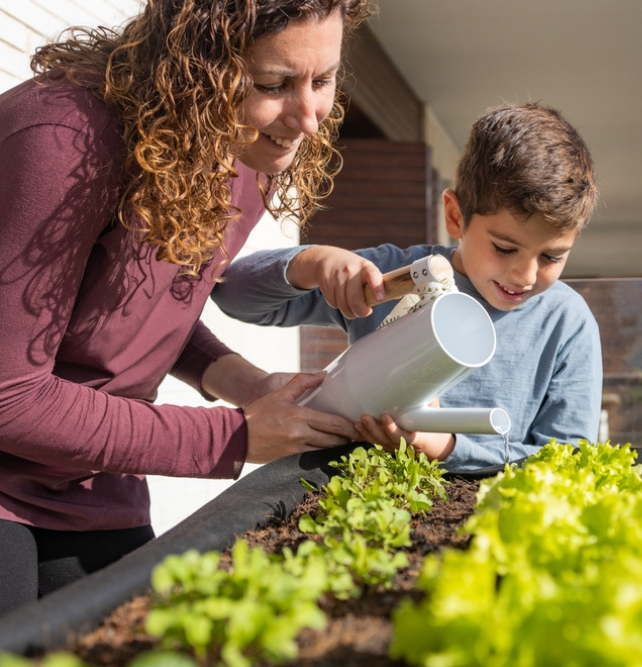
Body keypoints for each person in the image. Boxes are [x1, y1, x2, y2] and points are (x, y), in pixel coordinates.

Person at [0, 0, 380, 616]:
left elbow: (139, 304)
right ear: (196, 68)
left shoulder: (242, 151)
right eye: (273, 85)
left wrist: (252, 385)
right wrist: (235, 437)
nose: (309, 118)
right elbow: (10, 395)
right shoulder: (62, 142)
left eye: (324, 79)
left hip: (91, 482)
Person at [212, 102, 604, 471]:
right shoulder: (398, 276)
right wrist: (312, 264)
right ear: (455, 216)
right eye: (504, 248)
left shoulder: (566, 322)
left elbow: (569, 461)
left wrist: (447, 448)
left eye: (552, 257)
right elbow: (231, 294)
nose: (526, 276)